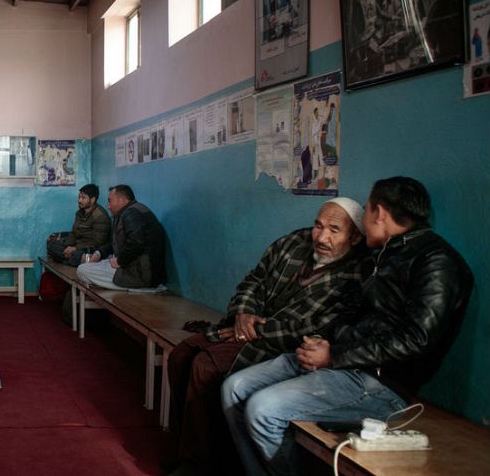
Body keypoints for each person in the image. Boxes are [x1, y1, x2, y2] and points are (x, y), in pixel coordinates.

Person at [222, 177, 473, 476]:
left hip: (379, 383)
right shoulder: (381, 254)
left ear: (379, 213)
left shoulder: (436, 261)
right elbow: (348, 312)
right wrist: (320, 342)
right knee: (234, 388)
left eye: (366, 210)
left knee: (263, 409)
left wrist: (334, 356)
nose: (364, 220)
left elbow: (416, 339)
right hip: (339, 362)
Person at [166, 198, 368, 476]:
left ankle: (203, 465)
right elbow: (254, 280)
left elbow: (319, 326)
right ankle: (187, 452)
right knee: (180, 355)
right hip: (244, 327)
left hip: (279, 344)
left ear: (355, 236)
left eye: (335, 230)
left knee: (205, 367)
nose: (322, 237)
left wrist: (254, 330)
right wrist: (243, 313)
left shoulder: (358, 272)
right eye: (318, 226)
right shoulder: (293, 243)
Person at [76, 185, 166, 290]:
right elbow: (116, 243)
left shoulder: (132, 214)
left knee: (82, 270)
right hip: (131, 265)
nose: (108, 206)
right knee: (87, 266)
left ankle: (131, 286)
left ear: (123, 200)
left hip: (142, 274)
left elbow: (136, 242)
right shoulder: (129, 212)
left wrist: (120, 261)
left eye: (110, 201)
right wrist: (99, 253)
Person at [47, 184, 111, 267]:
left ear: (92, 200)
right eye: (79, 197)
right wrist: (68, 246)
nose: (80, 200)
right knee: (51, 245)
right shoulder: (80, 213)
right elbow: (74, 233)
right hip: (77, 246)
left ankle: (72, 260)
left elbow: (97, 242)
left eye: (83, 198)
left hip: (90, 249)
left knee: (77, 256)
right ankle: (72, 260)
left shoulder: (100, 216)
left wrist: (75, 249)